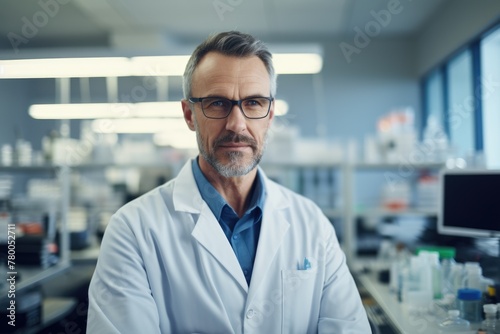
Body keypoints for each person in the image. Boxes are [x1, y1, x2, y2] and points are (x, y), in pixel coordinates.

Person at [87, 31, 371, 333]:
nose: (237, 124)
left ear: (270, 114)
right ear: (189, 115)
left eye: (253, 103)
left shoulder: (312, 224)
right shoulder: (132, 230)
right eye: (217, 103)